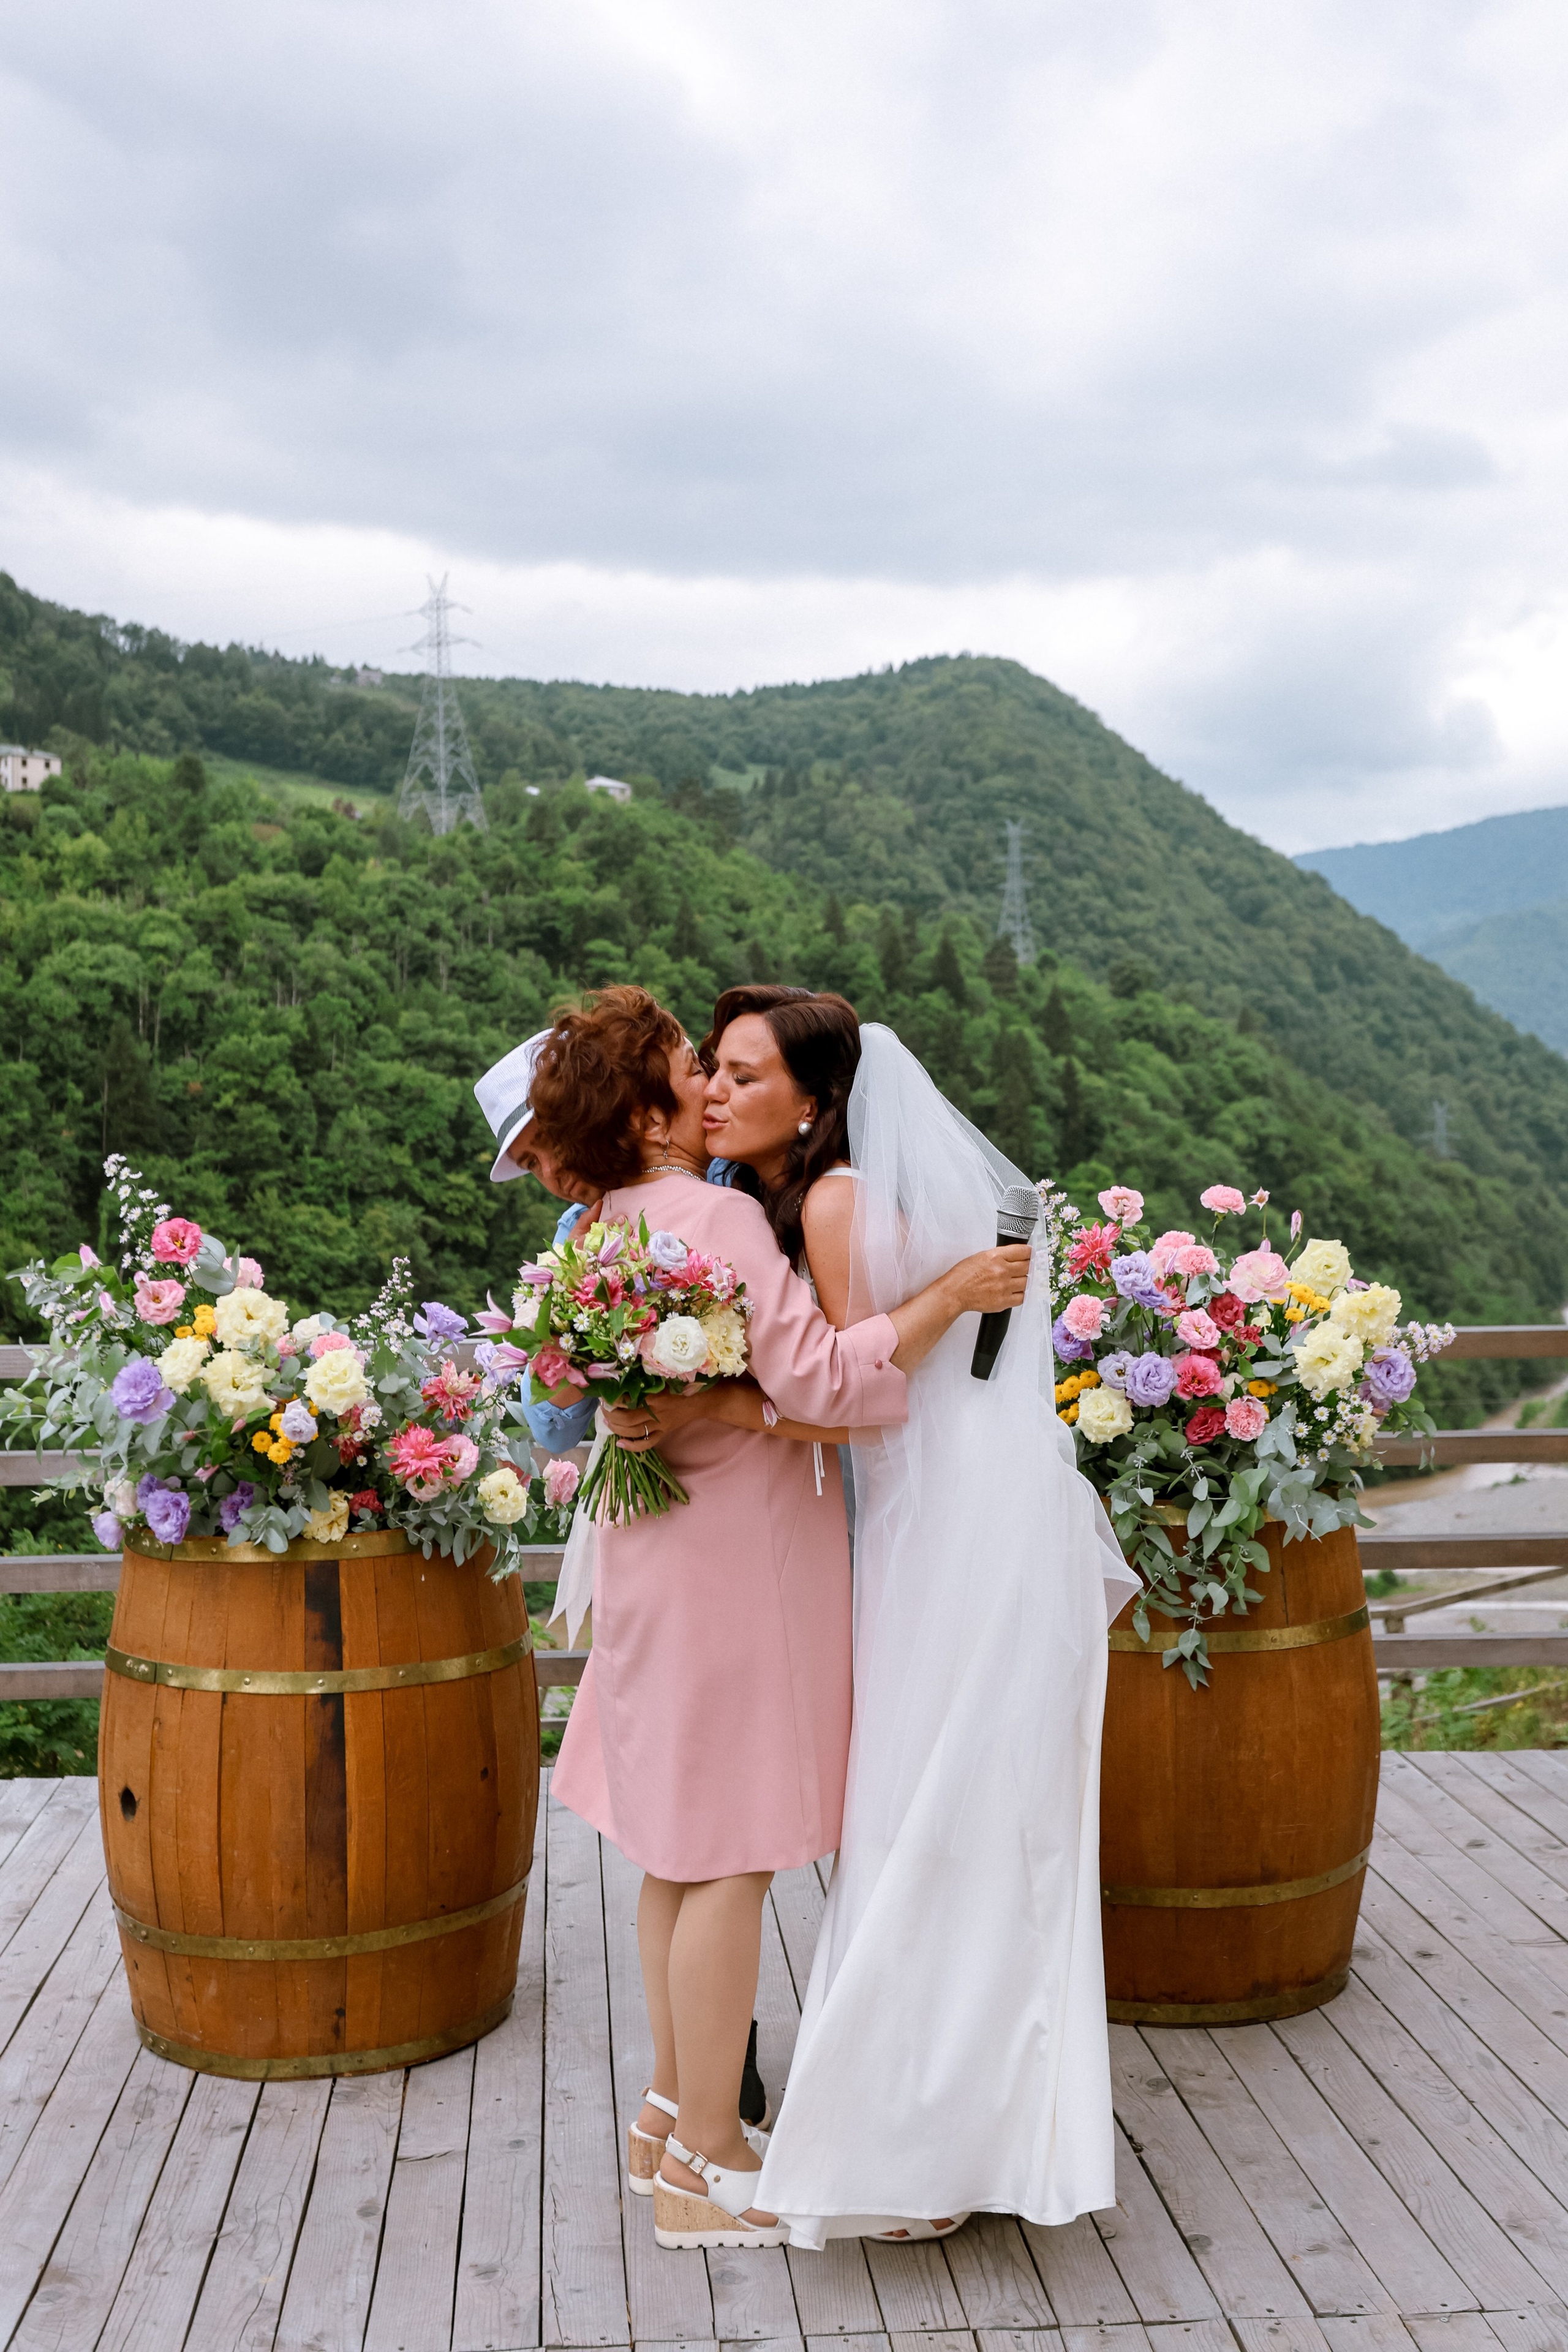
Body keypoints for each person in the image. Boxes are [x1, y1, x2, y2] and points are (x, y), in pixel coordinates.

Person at [523, 986, 1031, 2252]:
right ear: (644, 1107)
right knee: (735, 1856)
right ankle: (711, 2152)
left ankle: (661, 2117)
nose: (704, 1082)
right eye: (686, 1065)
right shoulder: (712, 1218)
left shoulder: (599, 1230)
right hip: (738, 1558)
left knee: (674, 1852)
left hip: (655, 1551)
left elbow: (633, 1390)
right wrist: (950, 1296)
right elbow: (829, 1382)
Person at [628, 985, 1139, 2245]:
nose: (716, 1092)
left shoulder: (838, 1201)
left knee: (936, 1809)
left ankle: (929, 2131)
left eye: (745, 1077)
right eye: (715, 1070)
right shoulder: (761, 1205)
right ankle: (938, 2114)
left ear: (814, 1104)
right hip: (907, 1517)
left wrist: (706, 1411)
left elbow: (855, 1394)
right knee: (925, 1806)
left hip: (947, 1518)